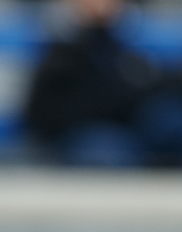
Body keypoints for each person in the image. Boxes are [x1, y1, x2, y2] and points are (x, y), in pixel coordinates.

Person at [22, 0, 159, 166]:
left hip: (121, 132)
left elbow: (142, 93)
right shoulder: (57, 49)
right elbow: (42, 112)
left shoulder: (126, 49)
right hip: (73, 136)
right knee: (106, 148)